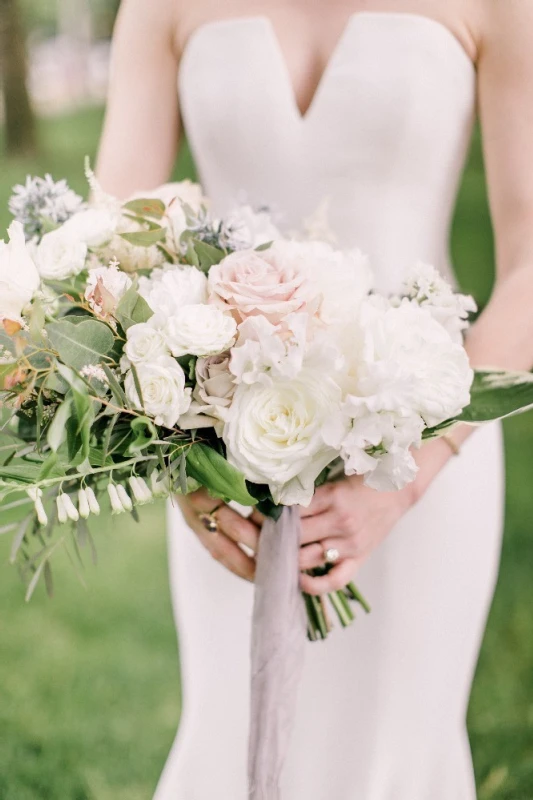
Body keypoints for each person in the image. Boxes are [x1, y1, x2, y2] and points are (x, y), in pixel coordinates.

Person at [96, 2, 533, 797]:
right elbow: (111, 249)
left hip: (424, 453)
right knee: (235, 743)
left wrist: (411, 471)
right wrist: (188, 474)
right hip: (224, 464)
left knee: (399, 754)